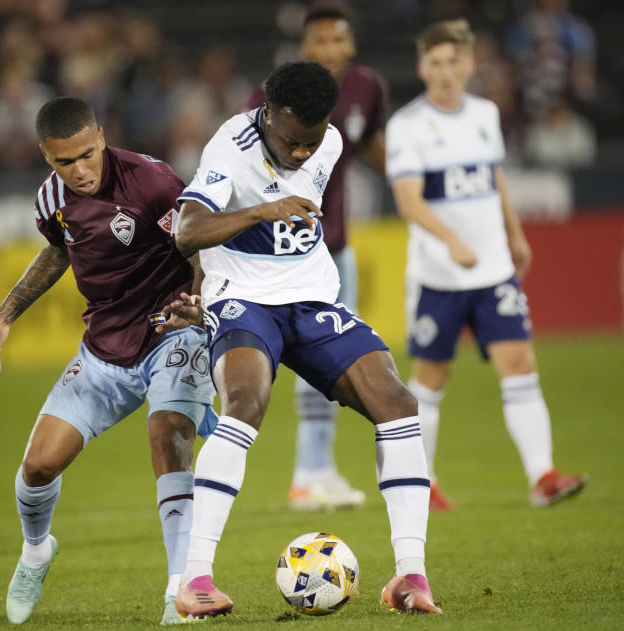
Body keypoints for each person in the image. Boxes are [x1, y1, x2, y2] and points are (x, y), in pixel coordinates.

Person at [171, 61, 441, 619]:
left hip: (313, 298)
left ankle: (410, 576)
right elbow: (187, 231)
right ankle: (196, 578)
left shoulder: (331, 141)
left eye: (309, 143)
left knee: (398, 403)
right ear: (268, 114)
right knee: (244, 403)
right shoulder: (230, 145)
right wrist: (265, 210)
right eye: (290, 141)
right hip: (243, 298)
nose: (300, 154)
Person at [0, 97, 217, 625]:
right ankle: (36, 551)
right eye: (64, 161)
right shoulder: (50, 198)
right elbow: (59, 250)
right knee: (38, 465)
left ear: (103, 136)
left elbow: (199, 248)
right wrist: (6, 315)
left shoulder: (152, 181)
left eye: (87, 154)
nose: (79, 171)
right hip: (105, 348)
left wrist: (200, 305)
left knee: (168, 436)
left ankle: (180, 591)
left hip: (172, 331)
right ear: (45, 156)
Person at [385, 19, 588, 511]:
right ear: (422, 67)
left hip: (494, 269)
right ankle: (422, 481)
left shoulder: (484, 114)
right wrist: (452, 240)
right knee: (432, 378)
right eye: (435, 62)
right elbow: (409, 201)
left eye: (454, 61)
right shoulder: (408, 125)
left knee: (519, 365)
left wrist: (514, 233)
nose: (445, 71)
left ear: (471, 65)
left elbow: (493, 179)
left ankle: (543, 477)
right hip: (440, 275)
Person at [242, 4, 387, 511]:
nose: (329, 50)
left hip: (336, 249)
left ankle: (321, 469)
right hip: (282, 255)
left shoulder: (366, 88)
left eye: (337, 41)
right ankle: (306, 472)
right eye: (319, 42)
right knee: (310, 359)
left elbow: (375, 147)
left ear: (351, 46)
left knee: (334, 360)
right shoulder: (274, 96)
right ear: (305, 47)